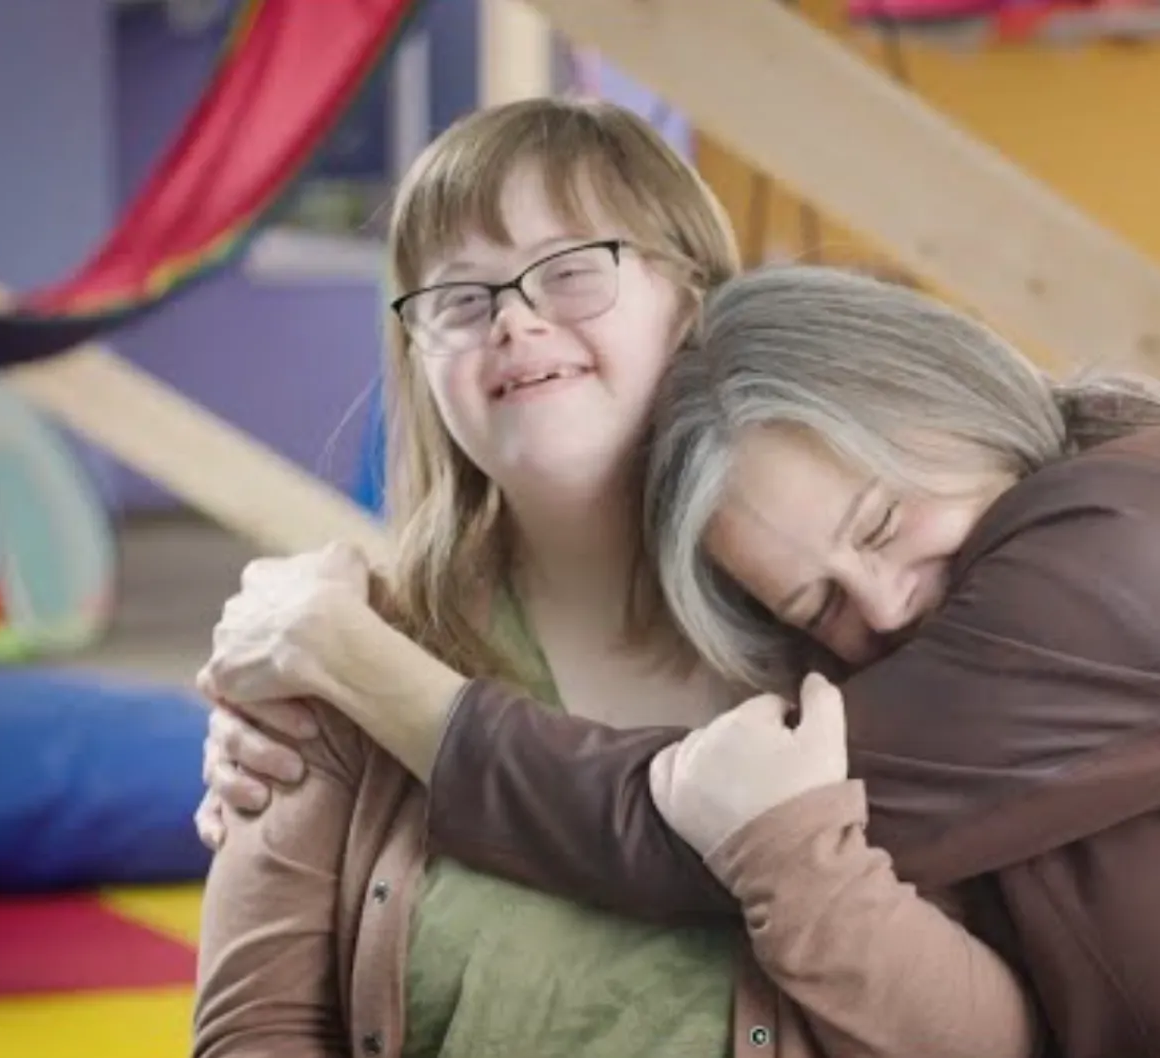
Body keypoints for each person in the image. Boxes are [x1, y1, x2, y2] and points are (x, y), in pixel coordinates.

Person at [203, 266, 1160, 1057]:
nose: (883, 604)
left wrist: (348, 657)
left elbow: (669, 829)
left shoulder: (1147, 550)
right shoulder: (971, 644)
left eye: (882, 521)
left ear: (950, 396)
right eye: (818, 598)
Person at [189, 101, 1038, 1058]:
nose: (513, 319)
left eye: (570, 270)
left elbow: (1001, 1041)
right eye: (459, 299)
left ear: (695, 299)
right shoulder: (339, 650)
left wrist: (796, 859)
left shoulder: (864, 616)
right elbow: (253, 1033)